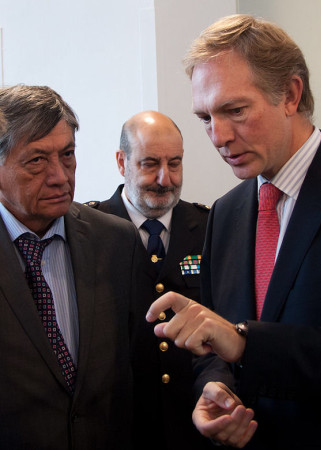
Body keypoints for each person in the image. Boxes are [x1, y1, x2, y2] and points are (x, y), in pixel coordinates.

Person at [146, 14, 321, 450]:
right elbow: (216, 343)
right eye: (205, 117)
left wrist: (246, 346)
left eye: (235, 110)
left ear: (291, 94)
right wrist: (216, 388)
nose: (218, 136)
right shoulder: (226, 212)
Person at [0, 84, 161, 450]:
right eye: (37, 160)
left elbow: (141, 373)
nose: (60, 176)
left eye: (68, 154)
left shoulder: (116, 241)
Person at [85, 110, 211, 449]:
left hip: (191, 423)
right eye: (150, 163)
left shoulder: (210, 227)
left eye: (175, 163)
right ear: (121, 161)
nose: (164, 178)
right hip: (117, 426)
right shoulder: (86, 229)